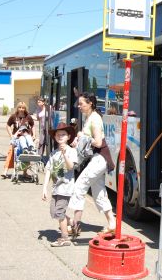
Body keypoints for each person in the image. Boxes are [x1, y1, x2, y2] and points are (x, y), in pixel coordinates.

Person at [68, 92, 116, 237]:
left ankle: (75, 224)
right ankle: (112, 223)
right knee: (98, 192)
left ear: (90, 104)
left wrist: (83, 137)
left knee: (79, 186)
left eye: (81, 103)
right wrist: (79, 138)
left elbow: (98, 142)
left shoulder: (94, 119)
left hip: (100, 157)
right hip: (99, 158)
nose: (79, 106)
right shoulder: (91, 117)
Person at [42, 122, 77, 247]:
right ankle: (72, 222)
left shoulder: (72, 151)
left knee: (59, 212)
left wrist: (64, 154)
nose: (60, 137)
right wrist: (44, 188)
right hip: (56, 188)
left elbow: (71, 166)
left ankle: (64, 238)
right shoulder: (53, 153)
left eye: (63, 134)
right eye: (58, 135)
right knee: (54, 212)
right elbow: (48, 171)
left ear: (68, 137)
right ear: (55, 137)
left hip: (66, 187)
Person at [1, 102, 36, 179]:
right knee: (11, 152)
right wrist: (11, 135)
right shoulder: (13, 116)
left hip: (26, 137)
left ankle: (25, 172)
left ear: (25, 108)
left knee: (26, 153)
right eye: (20, 107)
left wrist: (34, 135)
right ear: (17, 108)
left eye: (23, 108)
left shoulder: (28, 117)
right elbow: (8, 125)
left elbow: (33, 125)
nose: (21, 109)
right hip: (16, 138)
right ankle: (5, 171)